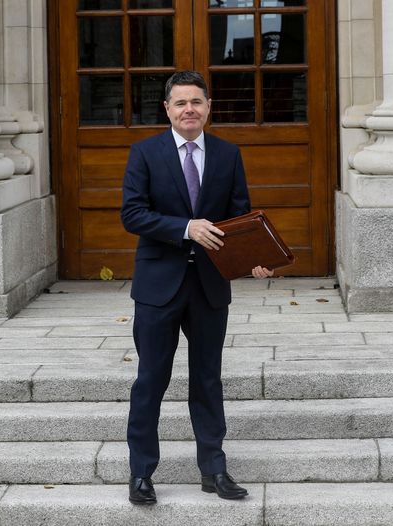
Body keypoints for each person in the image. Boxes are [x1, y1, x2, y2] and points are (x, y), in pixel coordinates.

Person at [120, 70, 273, 505]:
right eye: (180, 103)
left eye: (197, 102)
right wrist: (184, 228)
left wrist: (251, 259)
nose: (190, 109)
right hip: (158, 286)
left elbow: (238, 219)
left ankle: (214, 469)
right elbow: (132, 215)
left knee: (208, 380)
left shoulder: (227, 154)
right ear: (167, 109)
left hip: (209, 287)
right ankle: (141, 474)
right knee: (151, 379)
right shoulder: (145, 153)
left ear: (208, 107)